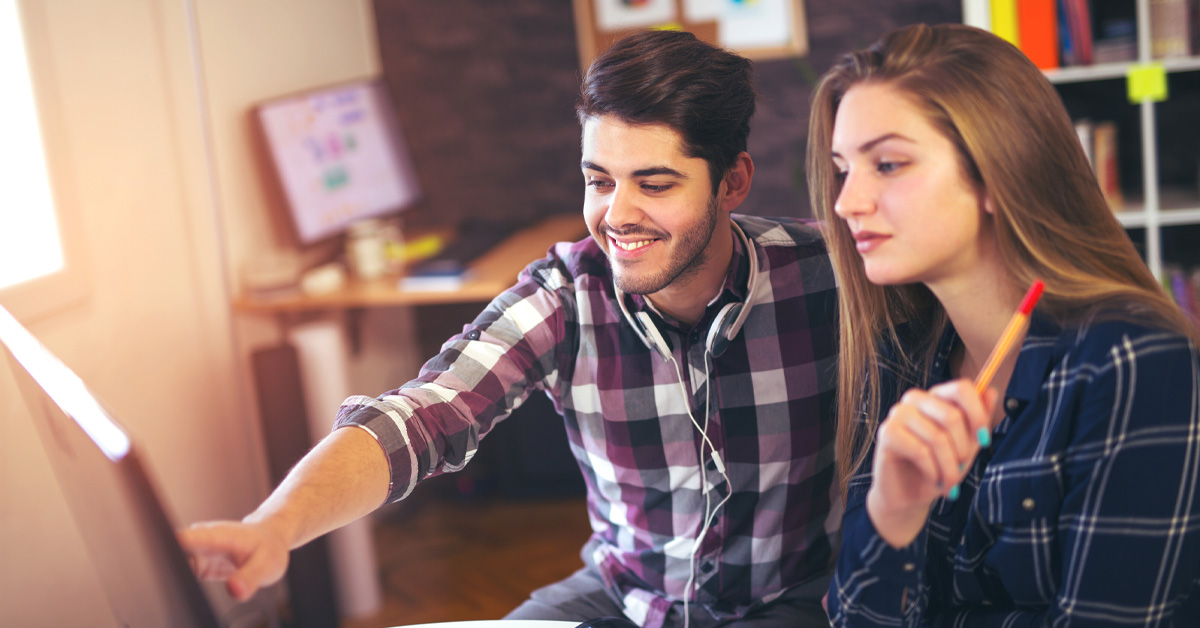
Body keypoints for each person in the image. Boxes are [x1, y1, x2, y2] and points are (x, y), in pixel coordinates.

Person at [181, 30, 840, 628]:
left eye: (655, 184)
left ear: (733, 183)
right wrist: (275, 527)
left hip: (786, 601)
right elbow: (420, 415)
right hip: (628, 595)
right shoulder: (566, 296)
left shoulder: (827, 278)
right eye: (599, 181)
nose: (618, 214)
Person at [808, 23, 1200, 626]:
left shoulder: (1133, 359)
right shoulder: (898, 357)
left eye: (887, 164)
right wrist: (893, 512)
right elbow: (857, 618)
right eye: (842, 168)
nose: (846, 201)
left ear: (997, 172)